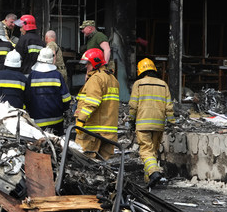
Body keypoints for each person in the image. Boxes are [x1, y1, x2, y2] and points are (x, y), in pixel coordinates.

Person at [128, 58, 175, 187]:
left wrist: (131, 120)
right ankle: (149, 179)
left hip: (143, 123)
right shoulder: (163, 84)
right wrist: (171, 122)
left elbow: (133, 105)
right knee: (153, 151)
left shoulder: (138, 84)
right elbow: (169, 106)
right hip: (158, 124)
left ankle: (154, 172)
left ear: (141, 71)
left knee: (145, 151)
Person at [74, 48, 119, 160]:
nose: (86, 67)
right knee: (104, 167)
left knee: (84, 162)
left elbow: (92, 103)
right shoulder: (112, 79)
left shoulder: (96, 79)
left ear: (95, 63)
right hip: (109, 131)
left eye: (88, 64)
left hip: (92, 131)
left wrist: (80, 120)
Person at [26, 47, 71, 135]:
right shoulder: (57, 75)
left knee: (39, 147)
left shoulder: (32, 75)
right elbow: (66, 98)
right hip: (57, 121)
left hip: (37, 122)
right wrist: (64, 110)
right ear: (52, 59)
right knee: (58, 146)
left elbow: (27, 98)